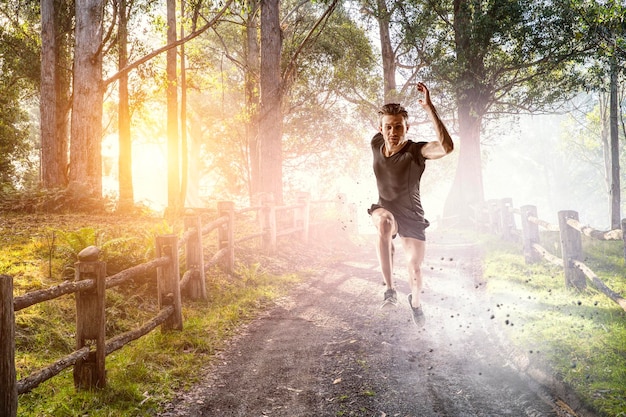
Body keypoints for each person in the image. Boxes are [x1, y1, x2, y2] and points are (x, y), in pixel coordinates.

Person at [368, 82, 453, 327]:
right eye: (388, 127)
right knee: (383, 223)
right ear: (380, 128)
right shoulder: (376, 144)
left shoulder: (416, 151)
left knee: (415, 269)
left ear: (407, 127)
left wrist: (429, 108)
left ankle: (415, 303)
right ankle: (390, 291)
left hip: (412, 216)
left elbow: (447, 147)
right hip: (386, 209)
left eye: (398, 127)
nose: (393, 132)